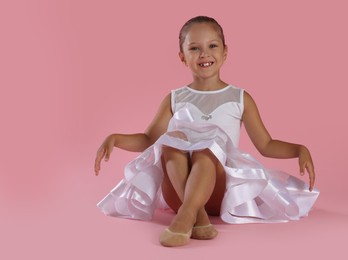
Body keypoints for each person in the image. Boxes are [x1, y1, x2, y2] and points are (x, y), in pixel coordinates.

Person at [94, 16, 319, 247]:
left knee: (207, 146)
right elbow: (150, 139)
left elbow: (266, 144)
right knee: (171, 139)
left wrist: (299, 149)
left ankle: (188, 214)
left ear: (225, 52)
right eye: (194, 48)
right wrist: (115, 138)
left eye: (212, 46)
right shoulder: (175, 98)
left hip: (220, 192)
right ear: (182, 57)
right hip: (178, 193)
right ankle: (195, 214)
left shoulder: (239, 98)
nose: (204, 54)